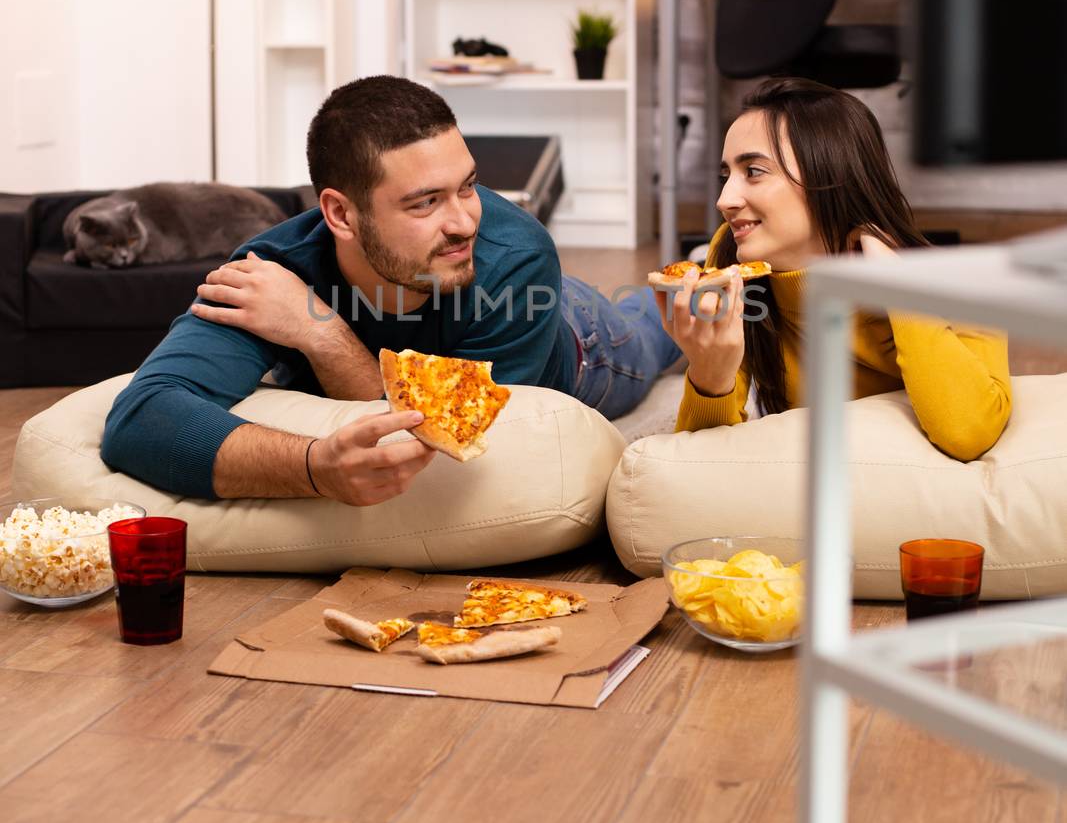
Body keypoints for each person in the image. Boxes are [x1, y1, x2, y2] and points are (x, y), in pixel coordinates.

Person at [101, 76, 679, 505]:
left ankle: (686, 283)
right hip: (469, 320)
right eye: (425, 202)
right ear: (341, 214)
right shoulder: (273, 273)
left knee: (657, 331)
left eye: (468, 187)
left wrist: (323, 336)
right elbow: (141, 421)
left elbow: (464, 448)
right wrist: (311, 466)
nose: (463, 222)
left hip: (577, 338)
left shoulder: (516, 255)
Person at [656, 77, 1011, 461]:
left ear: (830, 176)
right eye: (726, 176)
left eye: (754, 171)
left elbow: (969, 432)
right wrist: (710, 376)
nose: (724, 200)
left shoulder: (962, 288)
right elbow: (698, 466)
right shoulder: (731, 256)